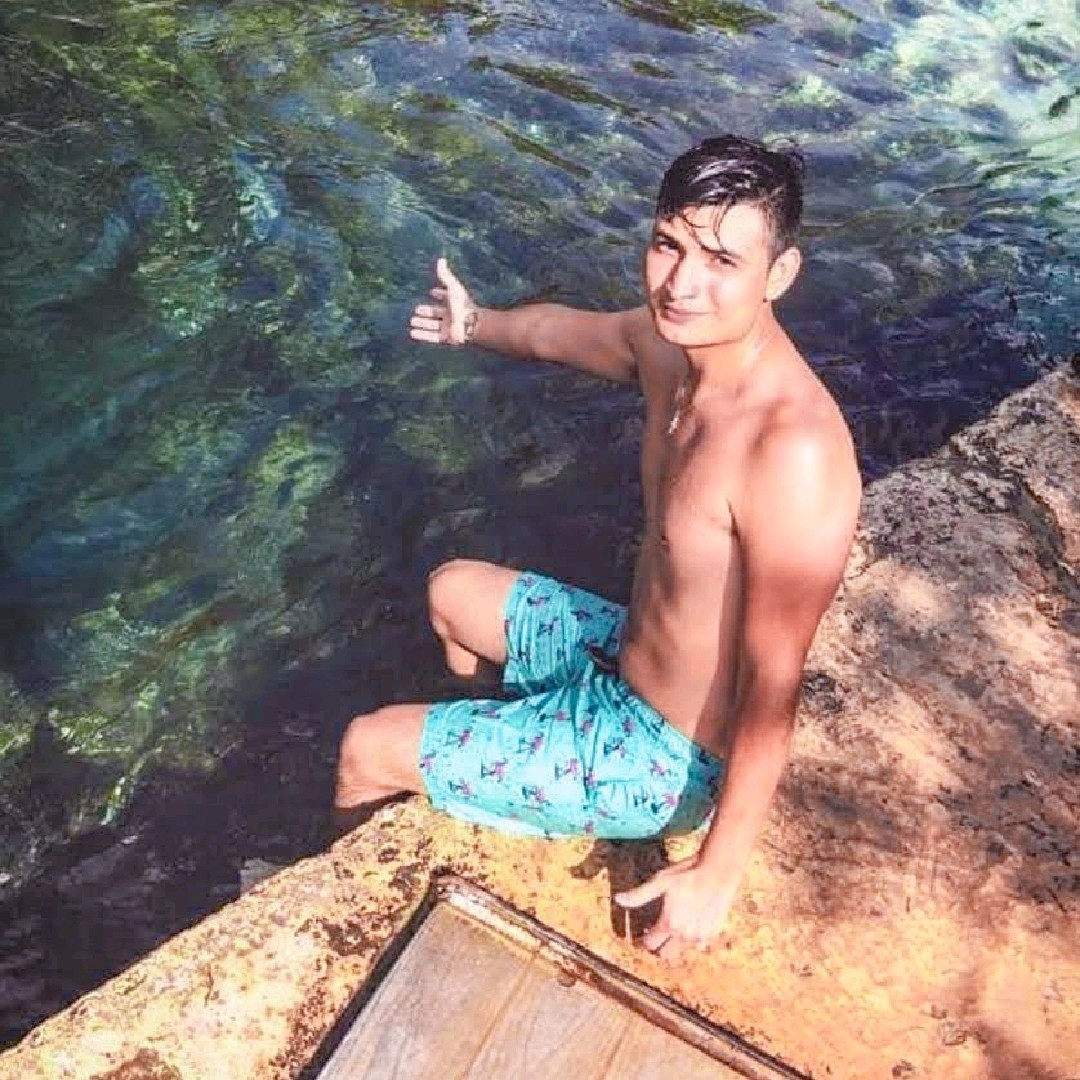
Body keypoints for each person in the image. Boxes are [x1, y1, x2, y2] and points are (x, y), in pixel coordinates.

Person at [335, 135, 862, 958]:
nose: (682, 283)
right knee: (450, 591)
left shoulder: (790, 452)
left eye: (722, 260)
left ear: (779, 273)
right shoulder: (671, 350)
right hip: (624, 655)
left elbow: (774, 683)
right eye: (668, 244)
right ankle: (501, 744)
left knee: (365, 748)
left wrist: (717, 872)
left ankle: (349, 897)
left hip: (666, 754)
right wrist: (475, 324)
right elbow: (555, 332)